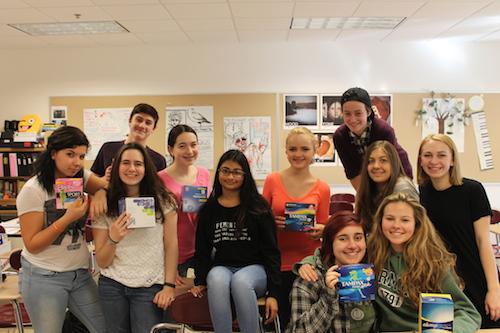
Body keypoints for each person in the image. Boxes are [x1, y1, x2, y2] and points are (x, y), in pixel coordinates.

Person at [16, 126, 107, 333]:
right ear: (53, 153)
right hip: (44, 276)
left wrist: (100, 193)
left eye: (82, 156)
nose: (76, 162)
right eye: (70, 154)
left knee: (105, 327)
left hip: (80, 275)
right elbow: (32, 244)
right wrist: (67, 219)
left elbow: (104, 186)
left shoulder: (80, 176)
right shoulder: (33, 190)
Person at [190, 149, 281, 333]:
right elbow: (202, 249)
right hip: (223, 267)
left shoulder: (259, 207)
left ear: (245, 175)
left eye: (236, 172)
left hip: (255, 270)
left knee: (240, 281)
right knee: (215, 278)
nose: (230, 176)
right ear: (218, 173)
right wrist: (200, 279)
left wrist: (274, 293)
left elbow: (271, 251)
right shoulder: (209, 210)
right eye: (225, 170)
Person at [92, 143, 178, 333]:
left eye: (138, 164)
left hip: (149, 285)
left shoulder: (164, 200)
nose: (132, 169)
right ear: (116, 167)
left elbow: (171, 245)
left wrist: (169, 286)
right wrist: (113, 239)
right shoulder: (104, 204)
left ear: (146, 168)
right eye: (126, 163)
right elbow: (102, 261)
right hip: (112, 285)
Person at [418, 133, 500, 328]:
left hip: (473, 276)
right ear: (420, 160)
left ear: (453, 159)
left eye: (441, 155)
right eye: (427, 155)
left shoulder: (472, 190)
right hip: (441, 280)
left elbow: (483, 242)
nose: (434, 161)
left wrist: (494, 289)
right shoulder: (423, 191)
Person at [368, 192, 481, 332]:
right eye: (390, 218)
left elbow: (467, 312)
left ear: (417, 224)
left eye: (405, 220)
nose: (396, 225)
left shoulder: (434, 263)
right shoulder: (371, 253)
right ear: (380, 221)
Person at [262, 127, 330, 328]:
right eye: (293, 149)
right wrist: (271, 222)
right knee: (278, 322)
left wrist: (321, 229)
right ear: (286, 151)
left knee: (304, 324)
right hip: (276, 263)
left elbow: (325, 225)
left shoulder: (322, 188)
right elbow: (259, 220)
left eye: (304, 149)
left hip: (308, 264)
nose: (298, 154)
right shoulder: (272, 180)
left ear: (314, 151)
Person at [287, 211, 376, 333]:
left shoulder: (372, 271)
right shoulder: (310, 277)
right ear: (330, 243)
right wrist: (329, 297)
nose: (352, 245)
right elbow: (299, 331)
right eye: (343, 239)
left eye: (358, 238)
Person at [158, 124, 211, 290]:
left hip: (201, 251)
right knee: (175, 310)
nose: (189, 151)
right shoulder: (159, 179)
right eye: (182, 146)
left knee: (201, 309)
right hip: (174, 255)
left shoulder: (204, 174)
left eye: (193, 145)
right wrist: (168, 267)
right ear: (170, 149)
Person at [333, 87, 412, 191]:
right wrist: (365, 198)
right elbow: (352, 172)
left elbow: (392, 166)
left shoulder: (383, 130)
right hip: (369, 176)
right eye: (347, 113)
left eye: (358, 113)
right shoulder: (340, 137)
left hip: (397, 173)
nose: (352, 119)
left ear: (368, 112)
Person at [91, 103, 166, 182]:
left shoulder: (159, 160)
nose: (142, 125)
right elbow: (93, 182)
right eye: (139, 120)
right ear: (130, 121)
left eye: (148, 123)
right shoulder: (107, 148)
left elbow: (160, 190)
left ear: (153, 129)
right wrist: (104, 179)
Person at [356, 140, 418, 232]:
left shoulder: (403, 188)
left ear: (393, 163)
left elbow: (410, 230)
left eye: (383, 160)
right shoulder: (369, 188)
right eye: (371, 161)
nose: (376, 166)